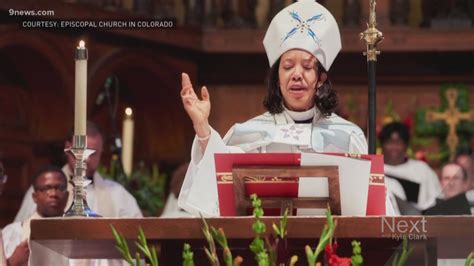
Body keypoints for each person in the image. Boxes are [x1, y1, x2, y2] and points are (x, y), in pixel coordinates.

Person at [178, 0, 381, 217]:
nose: (296, 74)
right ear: (277, 78)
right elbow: (219, 177)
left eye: (307, 66)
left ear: (320, 78)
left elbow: (373, 207)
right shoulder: (249, 133)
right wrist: (202, 127)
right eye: (287, 66)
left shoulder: (347, 136)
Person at [14, 121, 142, 222]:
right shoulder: (43, 190)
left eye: (93, 153)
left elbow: (139, 239)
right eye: (82, 150)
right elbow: (20, 232)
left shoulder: (117, 194)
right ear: (68, 148)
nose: (86, 159)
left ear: (102, 152)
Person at [3, 166, 69, 266]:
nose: (53, 194)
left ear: (67, 195)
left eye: (59, 188)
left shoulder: (78, 237)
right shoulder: (14, 233)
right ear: (34, 197)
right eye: (46, 188)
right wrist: (12, 262)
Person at [380, 122, 441, 211]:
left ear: (406, 146)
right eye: (389, 142)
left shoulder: (421, 169)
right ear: (382, 145)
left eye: (398, 142)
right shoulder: (374, 169)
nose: (394, 147)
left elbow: (436, 200)